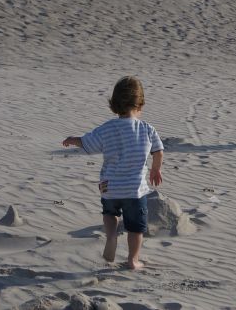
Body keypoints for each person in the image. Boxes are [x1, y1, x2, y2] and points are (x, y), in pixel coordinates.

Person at [62, 76, 164, 269]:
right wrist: (155, 169)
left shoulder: (107, 128)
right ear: (140, 104)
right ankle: (133, 260)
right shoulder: (147, 129)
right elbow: (158, 151)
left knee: (109, 213)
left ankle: (111, 236)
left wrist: (73, 139)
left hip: (110, 187)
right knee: (135, 228)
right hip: (135, 190)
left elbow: (87, 143)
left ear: (114, 104)